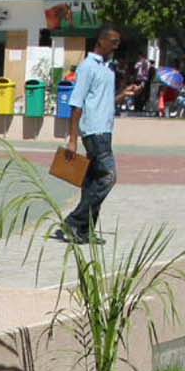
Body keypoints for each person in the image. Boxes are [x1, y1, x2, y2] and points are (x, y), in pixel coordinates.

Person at [54, 27, 121, 245]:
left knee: (92, 180)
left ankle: (84, 231)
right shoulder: (87, 67)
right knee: (108, 177)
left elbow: (100, 101)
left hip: (105, 130)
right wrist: (73, 139)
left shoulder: (107, 69)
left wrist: (123, 95)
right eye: (113, 41)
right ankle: (74, 220)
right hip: (94, 132)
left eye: (118, 42)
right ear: (101, 41)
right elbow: (76, 104)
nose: (116, 46)